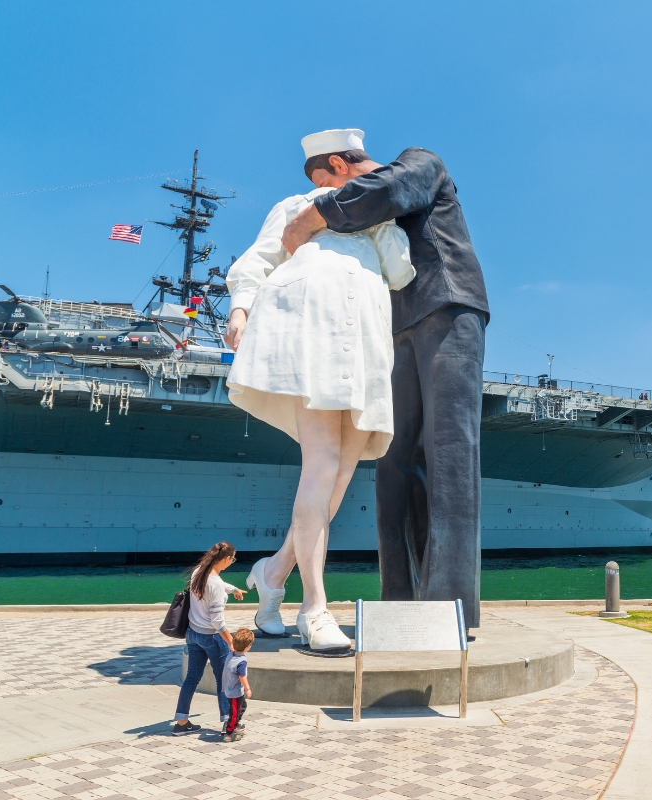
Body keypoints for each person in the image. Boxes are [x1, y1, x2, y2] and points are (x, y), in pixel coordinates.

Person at [281, 131, 489, 629]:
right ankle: (398, 598)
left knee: (450, 455)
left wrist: (308, 219)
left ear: (339, 162)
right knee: (393, 460)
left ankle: (447, 608)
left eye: (326, 183)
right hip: (394, 326)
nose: (323, 196)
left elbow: (384, 190)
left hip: (448, 306)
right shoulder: (362, 215)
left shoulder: (420, 163)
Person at [224, 129, 416, 651]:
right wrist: (240, 306)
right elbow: (257, 260)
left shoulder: (375, 216)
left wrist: (389, 220)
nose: (377, 173)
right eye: (366, 165)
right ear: (338, 163)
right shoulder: (296, 205)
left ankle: (271, 575)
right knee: (322, 466)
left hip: (365, 343)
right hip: (310, 333)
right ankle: (314, 607)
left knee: (337, 480)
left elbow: (399, 274)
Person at [174, 542, 243, 735]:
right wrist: (230, 641)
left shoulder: (198, 571)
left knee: (191, 678)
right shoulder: (215, 584)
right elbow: (217, 621)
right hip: (212, 637)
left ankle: (181, 723)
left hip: (192, 634)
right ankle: (229, 722)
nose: (232, 562)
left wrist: (233, 589)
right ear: (227, 559)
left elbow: (217, 585)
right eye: (233, 559)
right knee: (224, 679)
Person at [221, 627, 254, 742]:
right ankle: (229, 732)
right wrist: (247, 688)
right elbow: (242, 676)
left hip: (228, 688)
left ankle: (235, 725)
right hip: (235, 692)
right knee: (234, 713)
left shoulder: (231, 654)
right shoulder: (242, 661)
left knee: (242, 706)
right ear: (247, 646)